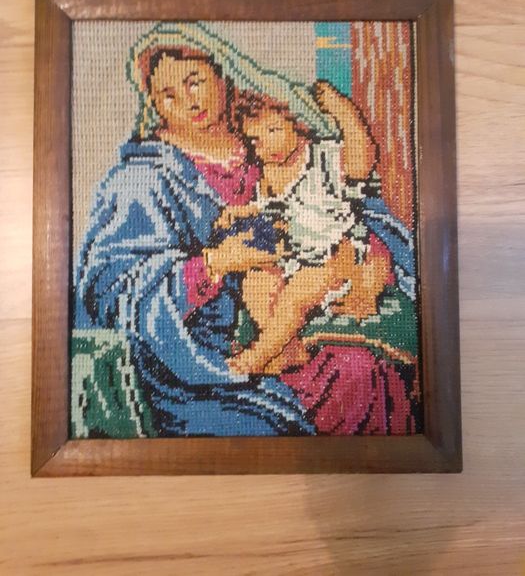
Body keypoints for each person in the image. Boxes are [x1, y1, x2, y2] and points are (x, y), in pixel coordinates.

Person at [75, 23, 325, 436]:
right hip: (195, 368)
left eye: (195, 82)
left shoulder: (268, 137)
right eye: (168, 96)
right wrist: (213, 264)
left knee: (364, 377)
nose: (188, 102)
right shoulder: (141, 179)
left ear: (222, 76)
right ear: (155, 105)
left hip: (304, 320)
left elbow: (339, 196)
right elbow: (109, 291)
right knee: (278, 430)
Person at [216, 86, 391, 376]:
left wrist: (342, 111)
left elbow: (361, 161)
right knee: (255, 283)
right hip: (295, 259)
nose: (267, 145)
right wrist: (241, 212)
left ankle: (259, 353)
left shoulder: (322, 156)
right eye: (256, 139)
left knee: (295, 294)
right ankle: (290, 350)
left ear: (296, 122)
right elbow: (269, 210)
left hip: (335, 258)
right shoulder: (268, 174)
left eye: (273, 130)